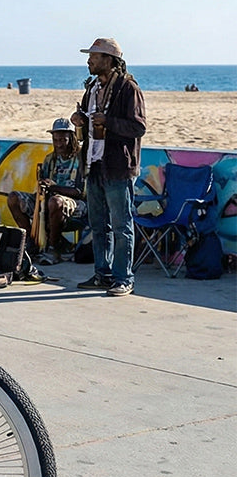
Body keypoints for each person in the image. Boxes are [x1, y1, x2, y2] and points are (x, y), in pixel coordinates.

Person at [71, 38, 146, 297]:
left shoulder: (128, 88)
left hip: (117, 168)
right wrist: (80, 119)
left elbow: (138, 127)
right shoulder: (92, 88)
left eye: (94, 56)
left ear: (109, 59)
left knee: (121, 226)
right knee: (98, 225)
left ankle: (124, 278)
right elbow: (87, 122)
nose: (89, 61)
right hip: (94, 164)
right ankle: (102, 274)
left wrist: (108, 121)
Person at [7, 118, 87, 264]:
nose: (59, 144)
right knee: (14, 198)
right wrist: (42, 186)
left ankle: (53, 247)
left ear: (72, 139)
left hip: (77, 205)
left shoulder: (81, 159)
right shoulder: (50, 159)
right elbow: (44, 185)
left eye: (63, 140)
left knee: (55, 202)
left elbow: (79, 192)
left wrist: (54, 187)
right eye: (56, 140)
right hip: (49, 200)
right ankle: (32, 243)